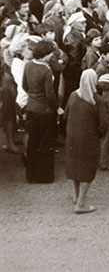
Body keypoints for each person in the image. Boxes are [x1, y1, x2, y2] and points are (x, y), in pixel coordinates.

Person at [65, 69, 107, 213]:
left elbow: (65, 115)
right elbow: (103, 125)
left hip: (72, 137)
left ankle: (76, 196)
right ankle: (81, 203)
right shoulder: (97, 101)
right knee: (87, 169)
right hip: (89, 139)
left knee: (74, 166)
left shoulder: (73, 96)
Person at [22, 39, 60, 184]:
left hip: (31, 108)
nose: (51, 56)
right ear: (45, 54)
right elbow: (50, 95)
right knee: (45, 143)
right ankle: (43, 176)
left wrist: (34, 96)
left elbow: (25, 86)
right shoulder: (46, 70)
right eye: (50, 53)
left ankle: (31, 175)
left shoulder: (28, 65)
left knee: (33, 141)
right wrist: (57, 107)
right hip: (45, 110)